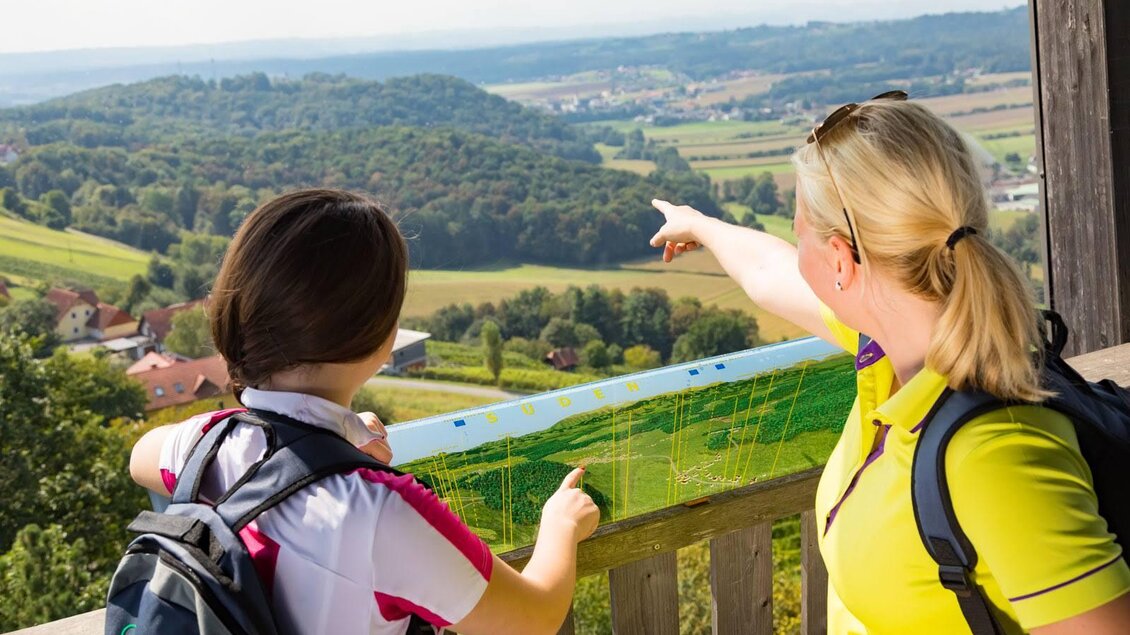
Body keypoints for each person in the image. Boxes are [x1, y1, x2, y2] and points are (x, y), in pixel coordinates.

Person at [648, 93, 1130, 634]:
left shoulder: (996, 452)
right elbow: (770, 273)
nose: (792, 240)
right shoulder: (885, 347)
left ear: (839, 261)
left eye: (798, 226)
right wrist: (703, 226)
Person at [129, 189, 598, 635]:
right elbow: (533, 618)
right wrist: (561, 524)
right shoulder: (381, 511)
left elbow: (141, 458)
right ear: (381, 336)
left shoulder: (206, 443)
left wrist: (324, 453)